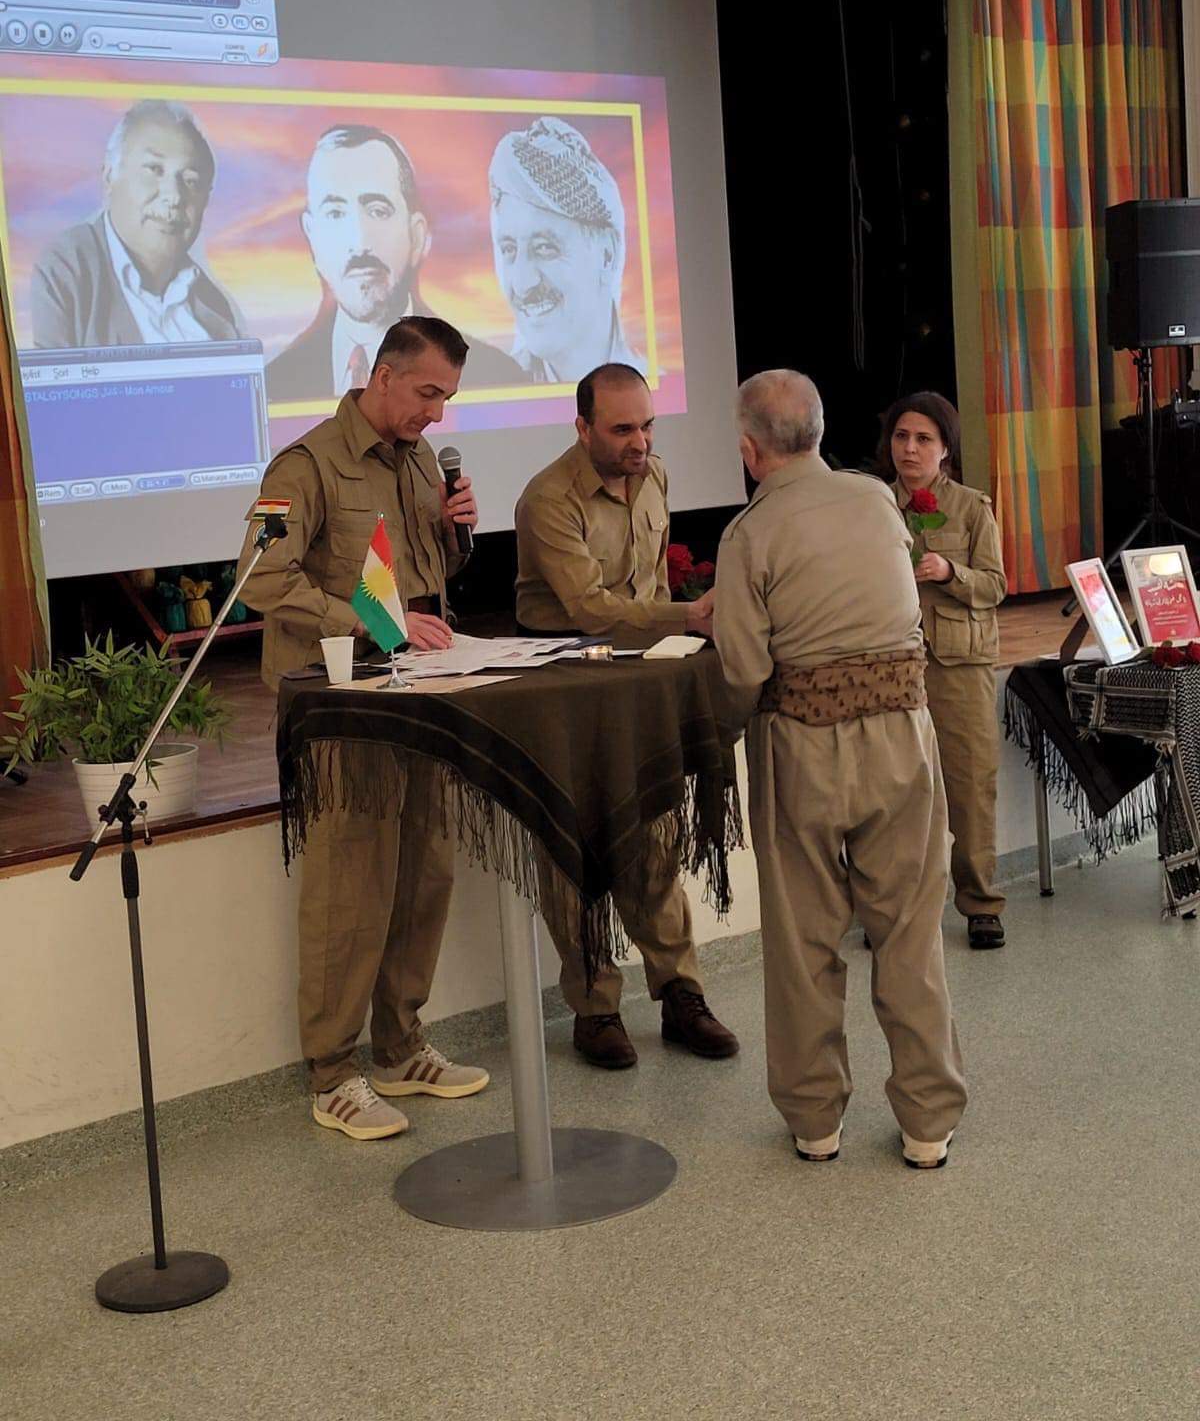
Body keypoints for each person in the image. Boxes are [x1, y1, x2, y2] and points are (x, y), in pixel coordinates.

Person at [237, 315, 488, 1139]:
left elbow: (420, 576)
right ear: (381, 374)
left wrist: (458, 536)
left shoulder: (419, 462)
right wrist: (369, 625)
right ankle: (333, 1073)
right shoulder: (305, 465)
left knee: (427, 870)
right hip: (341, 705)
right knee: (352, 885)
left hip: (417, 695)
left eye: (447, 397)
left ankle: (401, 1044)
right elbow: (259, 579)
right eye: (426, 393)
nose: (437, 415)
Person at [713, 370, 966, 1170]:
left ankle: (816, 1121)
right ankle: (928, 1125)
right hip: (903, 735)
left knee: (804, 941)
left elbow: (744, 670)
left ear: (750, 450)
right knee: (911, 935)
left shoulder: (748, 534)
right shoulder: (875, 500)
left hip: (804, 746)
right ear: (820, 433)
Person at [514, 362, 738, 1068]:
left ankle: (679, 995)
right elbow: (589, 608)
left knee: (656, 834)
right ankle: (594, 1009)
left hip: (640, 676)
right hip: (567, 683)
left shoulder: (657, 476)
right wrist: (689, 615)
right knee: (573, 847)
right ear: (582, 428)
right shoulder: (548, 498)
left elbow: (652, 582)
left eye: (646, 424)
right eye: (621, 429)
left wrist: (674, 637)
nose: (639, 441)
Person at [878, 392, 1008, 950]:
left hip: (959, 664)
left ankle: (980, 903)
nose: (909, 448)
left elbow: (995, 586)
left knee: (970, 784)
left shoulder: (972, 507)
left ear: (946, 448)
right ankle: (899, 910)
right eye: (902, 436)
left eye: (923, 438)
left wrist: (950, 570)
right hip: (891, 663)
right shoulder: (873, 504)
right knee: (896, 789)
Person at [269, 123, 521, 405]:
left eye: (378, 210)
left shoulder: (496, 370)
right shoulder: (274, 384)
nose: (359, 240)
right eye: (335, 213)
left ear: (416, 235)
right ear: (312, 237)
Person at [31, 99, 241, 350]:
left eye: (190, 181)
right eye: (154, 169)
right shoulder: (67, 269)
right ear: (110, 177)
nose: (174, 196)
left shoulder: (214, 306)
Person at [489, 116, 642, 384]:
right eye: (509, 249)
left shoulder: (648, 383)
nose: (523, 284)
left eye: (545, 248)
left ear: (607, 255)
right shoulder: (500, 383)